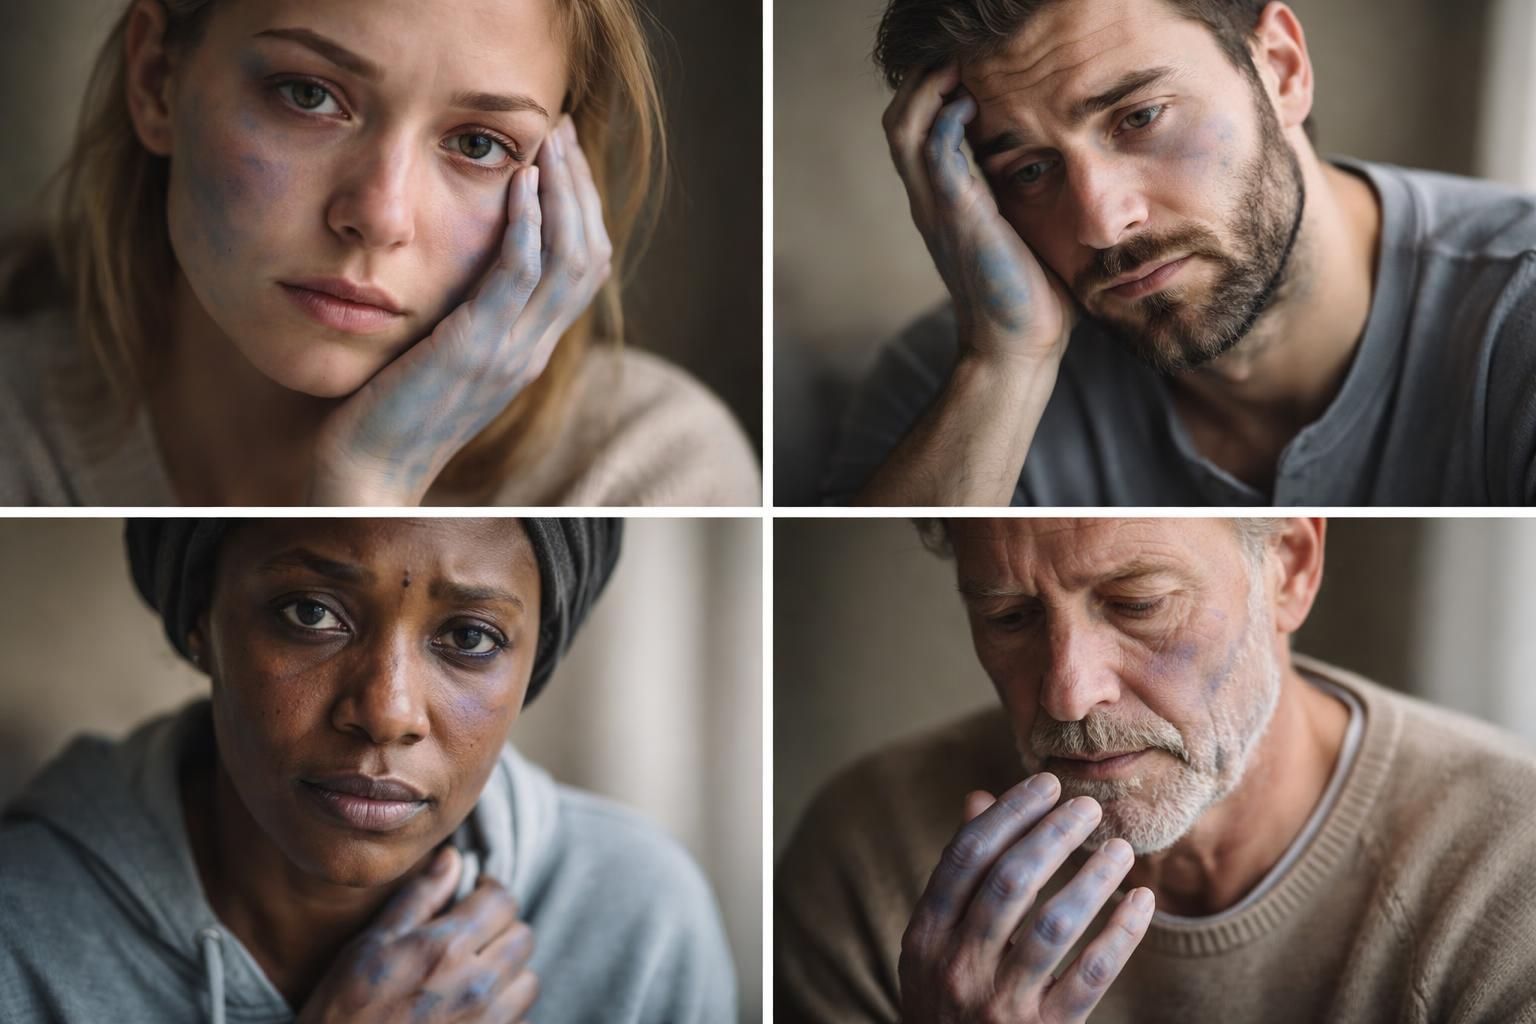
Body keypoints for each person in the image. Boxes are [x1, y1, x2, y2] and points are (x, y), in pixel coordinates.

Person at [0, 0, 760, 506]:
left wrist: (370, 482)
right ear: (155, 82)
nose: (380, 215)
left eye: (477, 143)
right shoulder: (21, 426)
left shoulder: (646, 467)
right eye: (308, 95)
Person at [777, 518, 1536, 1022]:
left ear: (1290, 568)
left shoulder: (1510, 866)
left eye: (1138, 604)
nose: (1068, 693)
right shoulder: (869, 857)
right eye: (1010, 617)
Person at [0, 518, 736, 1022]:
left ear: (532, 664)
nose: (386, 712)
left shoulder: (638, 919)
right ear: (203, 619)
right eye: (312, 614)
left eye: (471, 636)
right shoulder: (22, 937)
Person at [822, 0, 1536, 506]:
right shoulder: (951, 385)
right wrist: (1003, 366)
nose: (1101, 222)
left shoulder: (1518, 311)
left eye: (1138, 118)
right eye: (1030, 171)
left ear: (1281, 70)